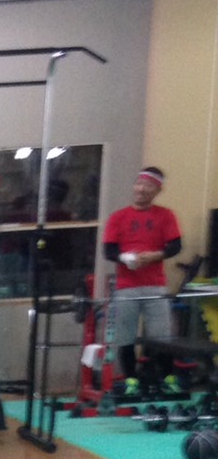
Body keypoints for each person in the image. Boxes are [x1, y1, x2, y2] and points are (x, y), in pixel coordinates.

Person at [102, 167, 183, 397]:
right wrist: (125, 258)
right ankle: (131, 379)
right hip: (126, 286)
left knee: (162, 336)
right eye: (139, 184)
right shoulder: (118, 217)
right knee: (125, 335)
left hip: (155, 285)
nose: (141, 189)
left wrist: (155, 256)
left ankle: (167, 377)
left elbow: (175, 246)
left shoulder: (166, 215)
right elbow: (109, 250)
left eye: (148, 186)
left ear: (157, 190)